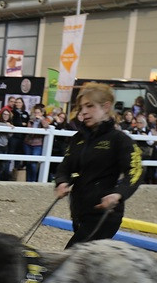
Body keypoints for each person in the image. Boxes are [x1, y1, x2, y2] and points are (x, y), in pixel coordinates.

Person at [54, 82, 143, 248]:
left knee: (72, 257)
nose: (84, 112)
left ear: (106, 107)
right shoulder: (78, 138)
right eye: (81, 107)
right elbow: (65, 166)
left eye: (90, 106)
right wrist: (61, 182)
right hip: (80, 211)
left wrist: (118, 194)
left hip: (104, 215)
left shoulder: (120, 140)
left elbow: (136, 171)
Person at [23, 104, 50, 183]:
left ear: (42, 113)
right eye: (35, 113)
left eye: (38, 112)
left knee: (33, 163)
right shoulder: (31, 120)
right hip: (28, 143)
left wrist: (41, 119)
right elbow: (28, 130)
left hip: (37, 144)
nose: (36, 114)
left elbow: (46, 126)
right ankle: (28, 181)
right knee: (28, 163)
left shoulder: (44, 120)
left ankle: (33, 180)